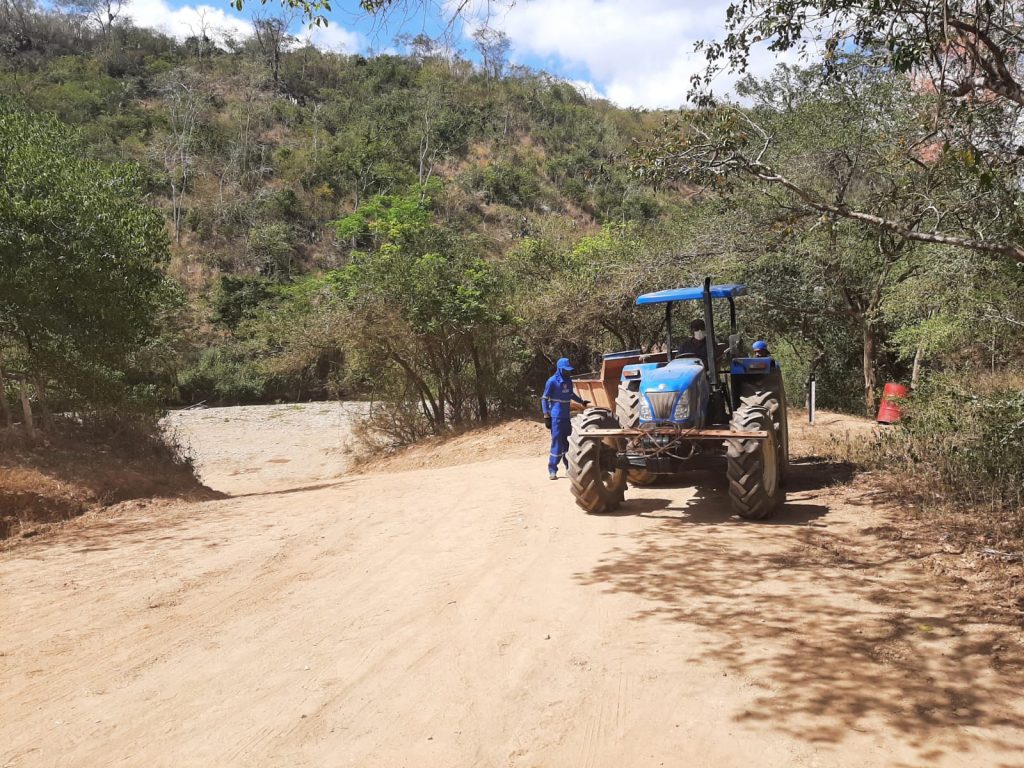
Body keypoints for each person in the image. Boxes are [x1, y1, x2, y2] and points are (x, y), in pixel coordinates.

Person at [541, 357, 589, 480]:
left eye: (569, 370)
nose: (568, 372)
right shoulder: (552, 381)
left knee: (567, 443)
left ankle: (569, 468)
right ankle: (552, 470)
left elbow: (571, 394)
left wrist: (581, 401)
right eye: (565, 370)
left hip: (566, 417)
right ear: (560, 369)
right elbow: (544, 399)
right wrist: (546, 416)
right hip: (556, 417)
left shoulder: (568, 381)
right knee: (557, 443)